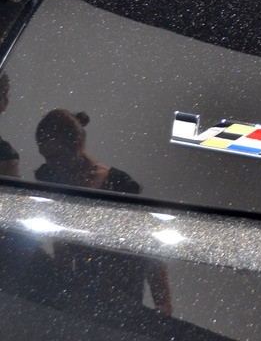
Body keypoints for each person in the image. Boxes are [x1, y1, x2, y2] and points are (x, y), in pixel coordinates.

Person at [34, 109, 172, 315]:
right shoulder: (55, 181)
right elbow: (62, 244)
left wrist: (163, 305)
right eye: (47, 158)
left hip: (123, 292)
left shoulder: (119, 184)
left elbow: (150, 244)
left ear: (78, 144)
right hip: (82, 297)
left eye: (57, 157)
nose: (52, 164)